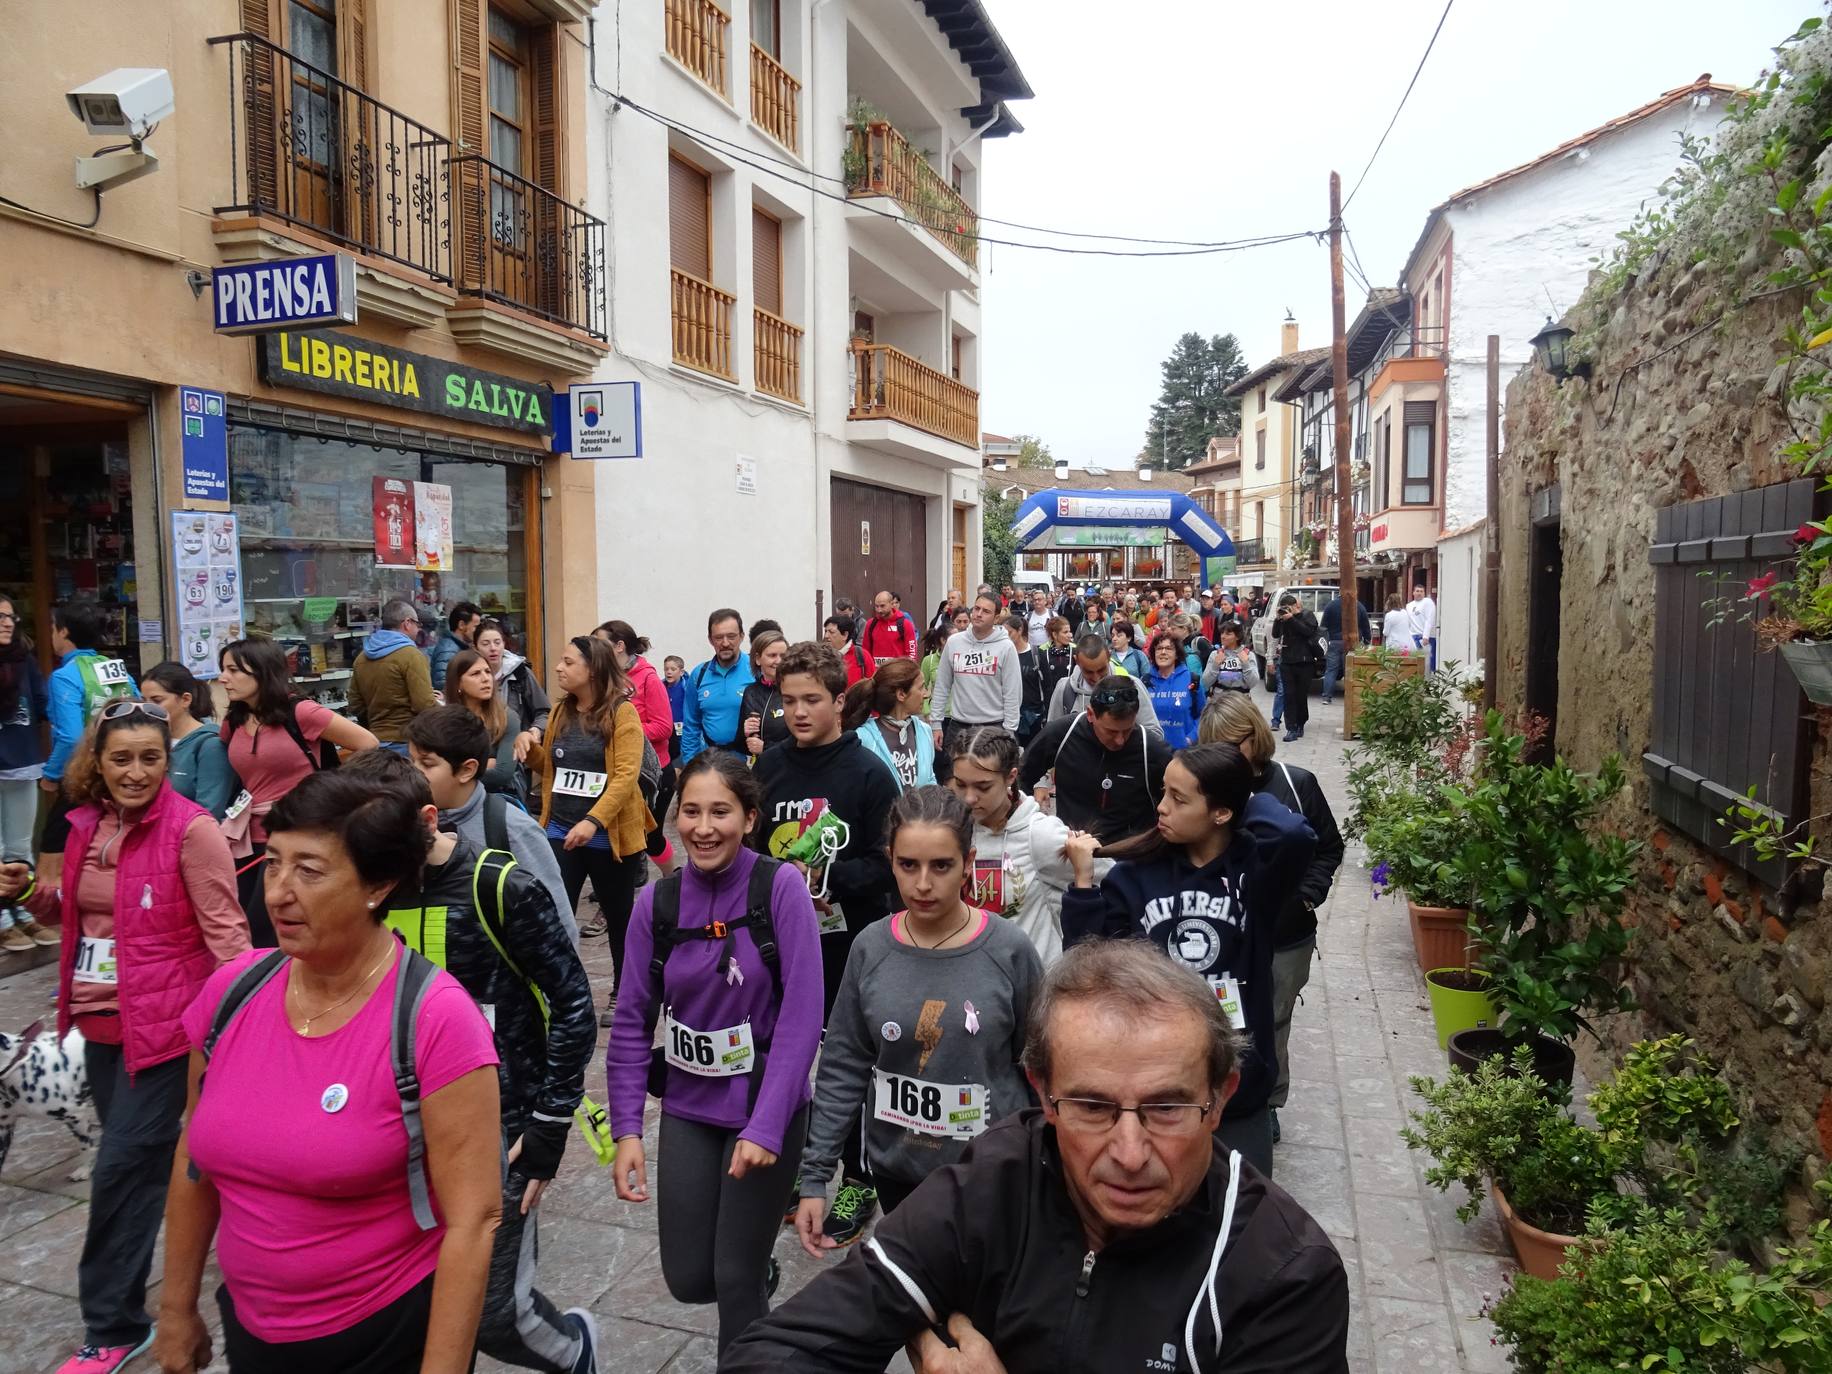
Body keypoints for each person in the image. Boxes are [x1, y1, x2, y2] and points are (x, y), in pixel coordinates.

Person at [725, 940, 1350, 1372]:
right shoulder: (993, 1185)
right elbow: (788, 1346)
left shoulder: (1284, 1276)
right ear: (1044, 1097)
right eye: (1092, 1107)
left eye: (1167, 1108)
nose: (1129, 1154)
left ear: (1220, 1100)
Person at [152, 769, 504, 1374]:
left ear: (378, 885)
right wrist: (176, 1307)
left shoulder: (435, 1019)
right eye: (272, 863)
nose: (279, 893)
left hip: (383, 1332)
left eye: (309, 871)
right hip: (252, 1327)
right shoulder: (230, 993)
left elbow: (474, 1220)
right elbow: (195, 1155)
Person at [0, 703, 248, 1374]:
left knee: (120, 1173)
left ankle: (113, 1325)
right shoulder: (86, 826)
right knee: (145, 1166)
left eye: (150, 758)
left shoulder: (191, 832)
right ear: (98, 764)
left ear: (167, 762)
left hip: (167, 1034)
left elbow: (229, 937)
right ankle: (247, 1229)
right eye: (121, 759)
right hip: (100, 1028)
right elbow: (79, 913)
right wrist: (31, 895)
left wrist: (239, 1027)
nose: (135, 772)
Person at [351, 750, 599, 1374]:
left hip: (501, 1130)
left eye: (384, 844)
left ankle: (576, 1352)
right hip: (392, 1133)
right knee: (423, 1310)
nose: (371, 865)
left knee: (490, 1312)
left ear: (428, 819)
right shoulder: (361, 892)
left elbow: (573, 1003)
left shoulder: (501, 886)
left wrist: (549, 1123)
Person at [606, 751, 824, 1353]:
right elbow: (630, 1020)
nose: (704, 827)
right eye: (692, 811)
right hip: (688, 1104)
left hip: (764, 1109)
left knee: (733, 1278)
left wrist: (768, 1124)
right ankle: (757, 1277)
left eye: (721, 812)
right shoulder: (658, 904)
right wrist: (626, 1129)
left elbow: (803, 1019)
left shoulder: (779, 888)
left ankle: (749, 1313)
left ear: (749, 817)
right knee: (688, 1277)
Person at [794, 785, 1042, 1253]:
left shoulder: (1010, 949)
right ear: (890, 859)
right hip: (899, 1173)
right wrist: (815, 1175)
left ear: (968, 863)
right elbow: (844, 1064)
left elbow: (1040, 1064)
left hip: (993, 1175)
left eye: (941, 866)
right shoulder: (869, 948)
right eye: (908, 865)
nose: (923, 883)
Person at [1060, 742, 1315, 1175]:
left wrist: (1242, 794)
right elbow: (1089, 962)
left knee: (1240, 1221)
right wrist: (1083, 886)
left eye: (1179, 799)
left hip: (1236, 1085)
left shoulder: (1254, 871)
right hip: (1157, 1082)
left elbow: (1295, 836)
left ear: (1221, 812)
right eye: (1163, 792)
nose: (1161, 808)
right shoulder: (1135, 877)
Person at [1199, 693, 1345, 1144]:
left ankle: (1268, 1101)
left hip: (1286, 936)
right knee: (1217, 1023)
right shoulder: (1207, 790)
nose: (1228, 756)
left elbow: (1329, 846)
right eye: (1216, 747)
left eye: (1234, 744)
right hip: (1224, 938)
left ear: (1255, 737)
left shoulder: (1295, 783)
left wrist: (1305, 897)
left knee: (1275, 1020)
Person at [515, 636, 651, 1009]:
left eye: (567, 662)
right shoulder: (562, 711)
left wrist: (594, 821)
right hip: (560, 828)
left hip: (609, 837)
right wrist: (530, 752)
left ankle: (622, 993)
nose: (559, 668)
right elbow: (553, 769)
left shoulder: (622, 713)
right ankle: (561, 992)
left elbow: (625, 777)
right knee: (556, 914)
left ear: (591, 669)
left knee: (619, 920)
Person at [217, 637, 378, 945]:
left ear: (262, 672)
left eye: (234, 670)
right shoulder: (233, 722)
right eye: (223, 669)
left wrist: (328, 791)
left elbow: (367, 744)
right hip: (246, 839)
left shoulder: (302, 713)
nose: (224, 678)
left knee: (266, 929)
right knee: (243, 924)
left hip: (299, 833)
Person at [408, 706, 573, 944]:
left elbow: (558, 923)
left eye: (427, 764)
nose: (415, 772)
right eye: (412, 760)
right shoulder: (408, 822)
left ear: (467, 770)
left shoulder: (513, 829)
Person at [947, 725, 1097, 968]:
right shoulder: (951, 828)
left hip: (1033, 986)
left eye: (983, 787)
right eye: (961, 784)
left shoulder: (1039, 834)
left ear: (1011, 777)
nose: (969, 798)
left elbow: (1112, 877)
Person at [40, 602, 138, 887]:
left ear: (64, 631)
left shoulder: (64, 676)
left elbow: (70, 736)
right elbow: (137, 707)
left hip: (82, 774)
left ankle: (53, 911)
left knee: (55, 840)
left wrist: (52, 774)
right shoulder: (115, 668)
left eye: (52, 627)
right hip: (118, 772)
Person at [1021, 676, 1173, 845]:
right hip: (1073, 850)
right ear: (1091, 714)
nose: (1120, 740)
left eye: (1128, 731)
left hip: (1128, 859)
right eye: (1111, 732)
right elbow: (1021, 777)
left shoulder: (1151, 750)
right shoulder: (1063, 733)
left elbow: (1175, 804)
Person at [595, 619, 678, 874]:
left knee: (650, 838)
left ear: (619, 646)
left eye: (601, 644)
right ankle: (619, 886)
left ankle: (671, 877)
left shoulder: (648, 678)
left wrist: (627, 731)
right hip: (620, 770)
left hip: (653, 774)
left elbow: (664, 727)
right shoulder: (605, 677)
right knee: (619, 831)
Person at [0, 592, 53, 950]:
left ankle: (24, 909)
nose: (7, 622)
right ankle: (2, 918)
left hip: (20, 761)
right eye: (0, 616)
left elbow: (40, 704)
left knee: (19, 845)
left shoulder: (24, 661)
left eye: (11, 616)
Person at [928, 592, 1021, 784]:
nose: (978, 614)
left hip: (993, 727)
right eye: (976, 608)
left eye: (986, 611)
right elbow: (942, 685)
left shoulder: (1006, 647)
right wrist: (935, 723)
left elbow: (1012, 693)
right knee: (954, 782)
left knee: (987, 783)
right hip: (958, 727)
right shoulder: (955, 642)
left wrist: (1009, 732)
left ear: (996, 618)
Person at [141, 662, 238, 821]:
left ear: (185, 700)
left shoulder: (210, 745)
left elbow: (209, 812)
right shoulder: (150, 741)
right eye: (144, 700)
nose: (147, 708)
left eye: (157, 700)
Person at [348, 599, 439, 753]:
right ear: (407, 623)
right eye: (417, 624)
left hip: (374, 743)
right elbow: (423, 704)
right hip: (405, 742)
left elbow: (356, 705)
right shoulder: (411, 655)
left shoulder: (362, 658)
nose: (418, 630)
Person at [1045, 633, 1163, 737]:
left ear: (1109, 657)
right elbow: (1051, 736)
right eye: (1088, 672)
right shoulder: (1064, 689)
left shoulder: (1132, 686)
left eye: (1102, 670)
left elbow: (1154, 734)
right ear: (1077, 661)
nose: (1096, 678)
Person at [845, 657, 935, 790]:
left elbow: (930, 780)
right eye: (921, 687)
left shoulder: (924, 731)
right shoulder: (863, 738)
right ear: (901, 694)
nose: (926, 694)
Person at [445, 648, 521, 798]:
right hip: (453, 802)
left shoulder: (507, 717)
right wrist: (487, 764)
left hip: (497, 799)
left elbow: (502, 773)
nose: (486, 678)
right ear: (458, 684)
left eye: (487, 672)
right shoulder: (445, 720)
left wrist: (455, 773)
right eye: (475, 674)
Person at [680, 609, 753, 764]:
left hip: (747, 763)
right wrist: (690, 764)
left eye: (731, 636)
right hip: (709, 761)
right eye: (718, 637)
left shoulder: (755, 671)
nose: (725, 643)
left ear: (742, 636)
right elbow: (691, 724)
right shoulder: (699, 675)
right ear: (710, 640)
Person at [477, 619, 551, 742]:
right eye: (485, 644)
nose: (493, 648)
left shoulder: (520, 672)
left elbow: (544, 712)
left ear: (504, 644)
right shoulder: (468, 675)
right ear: (475, 647)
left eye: (497, 642)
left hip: (517, 748)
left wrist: (535, 730)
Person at [1270, 593, 1324, 742]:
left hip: (1305, 662)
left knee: (1300, 696)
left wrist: (1292, 619)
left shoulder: (1307, 615)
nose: (1287, 610)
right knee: (1289, 696)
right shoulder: (1283, 618)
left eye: (1289, 607)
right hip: (1287, 662)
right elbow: (1275, 634)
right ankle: (1291, 728)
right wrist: (1278, 619)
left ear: (1295, 606)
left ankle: (1300, 723)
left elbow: (1308, 631)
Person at [1145, 631, 1204, 751]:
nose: (1163, 652)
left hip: (1185, 752)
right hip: (1154, 753)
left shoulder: (1192, 680)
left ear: (1177, 654)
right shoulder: (1145, 682)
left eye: (1169, 648)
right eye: (1159, 648)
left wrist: (1190, 739)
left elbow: (1204, 715)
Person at [740, 630, 791, 761]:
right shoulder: (751, 692)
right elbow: (741, 745)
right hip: (759, 770)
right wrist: (744, 733)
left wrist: (766, 748)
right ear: (757, 659)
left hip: (789, 769)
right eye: (772, 655)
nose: (778, 661)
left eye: (783, 656)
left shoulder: (794, 691)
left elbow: (803, 742)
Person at [1319, 592, 1372, 705]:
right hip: (1352, 643)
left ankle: (1326, 697)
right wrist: (1367, 640)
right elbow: (1365, 625)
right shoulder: (1358, 606)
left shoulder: (1330, 605)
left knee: (1331, 670)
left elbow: (1323, 626)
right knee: (1349, 670)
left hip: (1334, 641)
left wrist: (1325, 641)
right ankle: (1350, 695)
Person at [1003, 614, 1047, 744]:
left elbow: (1047, 686)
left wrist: (1047, 714)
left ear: (1020, 630)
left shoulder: (1037, 654)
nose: (1006, 637)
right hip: (1009, 714)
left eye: (1009, 633)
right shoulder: (1003, 654)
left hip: (1033, 715)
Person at [428, 601, 483, 686]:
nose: (478, 630)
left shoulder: (460, 647)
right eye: (475, 626)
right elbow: (441, 683)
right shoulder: (449, 649)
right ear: (461, 625)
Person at [1201, 621, 1261, 695]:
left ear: (1237, 637)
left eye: (1228, 634)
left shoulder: (1248, 655)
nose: (1223, 636)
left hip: (1240, 701)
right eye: (1222, 633)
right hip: (1219, 701)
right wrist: (1215, 666)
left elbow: (1253, 683)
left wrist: (1246, 664)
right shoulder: (1215, 654)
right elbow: (1205, 683)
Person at [861, 590, 919, 662]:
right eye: (876, 606)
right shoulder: (870, 624)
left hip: (898, 672)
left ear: (891, 604)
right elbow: (865, 652)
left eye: (882, 606)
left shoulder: (905, 624)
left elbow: (912, 654)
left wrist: (908, 670)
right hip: (877, 672)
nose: (879, 610)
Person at [822, 614, 876, 690]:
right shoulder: (821, 656)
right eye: (825, 631)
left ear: (845, 635)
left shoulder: (862, 656)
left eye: (831, 632)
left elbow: (873, 686)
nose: (826, 636)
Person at [1039, 615, 1074, 706]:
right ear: (1054, 634)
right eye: (1065, 632)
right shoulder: (1044, 653)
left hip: (1070, 700)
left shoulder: (1074, 651)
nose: (1070, 635)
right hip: (1051, 702)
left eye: (1069, 631)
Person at [1406, 580, 1439, 670]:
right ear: (1413, 593)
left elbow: (1429, 619)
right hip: (1413, 637)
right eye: (1417, 591)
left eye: (1421, 591)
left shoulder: (1428, 602)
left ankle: (1430, 681)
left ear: (1424, 593)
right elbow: (1408, 622)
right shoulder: (1409, 606)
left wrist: (1426, 636)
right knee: (1415, 662)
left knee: (1428, 664)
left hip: (1426, 638)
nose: (1419, 593)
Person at [662, 654, 687, 762]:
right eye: (666, 669)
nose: (669, 672)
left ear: (681, 672)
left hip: (684, 734)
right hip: (668, 735)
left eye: (673, 669)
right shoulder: (660, 687)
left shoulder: (687, 688)